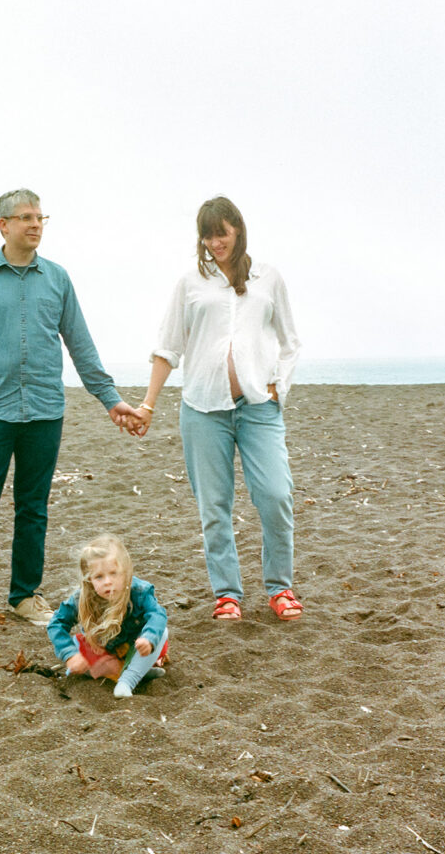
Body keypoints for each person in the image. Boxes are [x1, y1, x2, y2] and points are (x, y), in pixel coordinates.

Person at [0, 189, 141, 638]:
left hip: (45, 411)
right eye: (25, 217)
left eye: (40, 217)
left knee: (33, 508)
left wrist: (110, 399)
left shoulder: (58, 278)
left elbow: (80, 344)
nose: (35, 224)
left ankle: (25, 595)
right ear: (2, 225)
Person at [130, 196, 303, 622]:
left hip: (258, 407)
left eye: (221, 233)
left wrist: (278, 385)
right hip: (203, 409)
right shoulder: (191, 283)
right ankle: (227, 593)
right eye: (207, 236)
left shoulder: (269, 278)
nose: (214, 242)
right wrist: (149, 404)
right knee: (214, 506)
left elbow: (290, 341)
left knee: (276, 495)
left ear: (237, 229)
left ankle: (280, 588)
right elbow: (168, 346)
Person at [47, 533, 168, 698]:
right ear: (89, 579)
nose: (107, 582)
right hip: (102, 651)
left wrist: (148, 638)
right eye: (99, 577)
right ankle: (137, 672)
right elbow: (56, 624)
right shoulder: (82, 597)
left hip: (134, 648)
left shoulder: (139, 592)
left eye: (114, 573)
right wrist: (70, 655)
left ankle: (128, 680)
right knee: (79, 652)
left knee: (162, 633)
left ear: (125, 572)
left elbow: (158, 614)